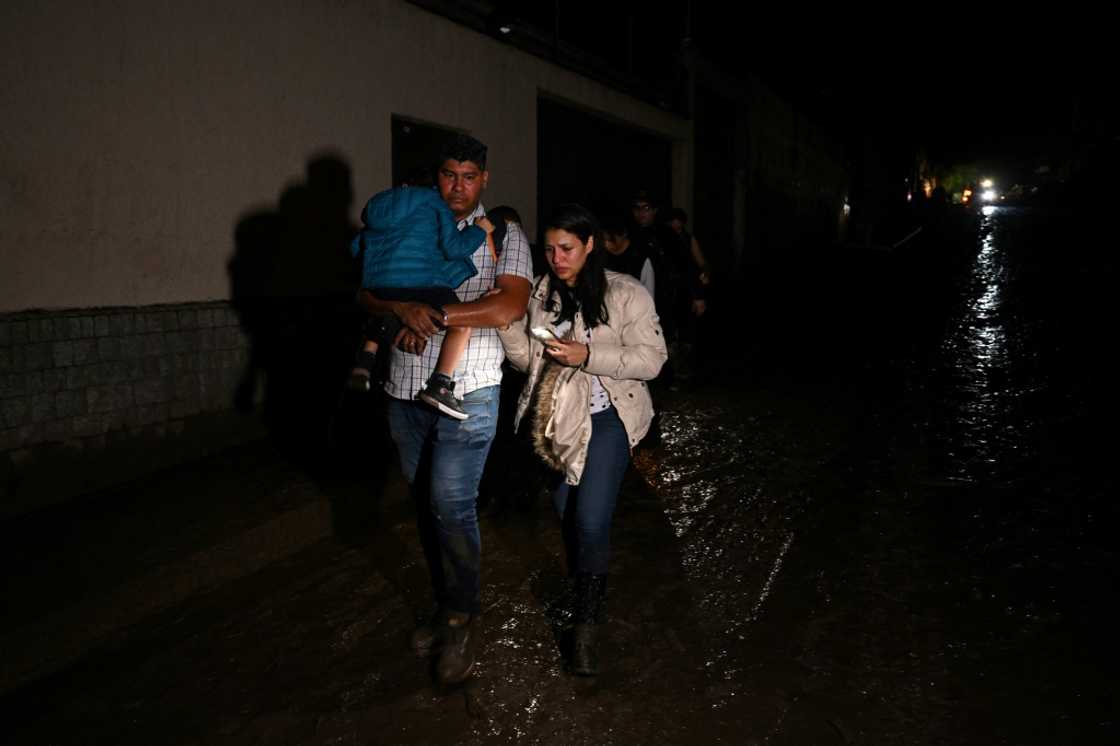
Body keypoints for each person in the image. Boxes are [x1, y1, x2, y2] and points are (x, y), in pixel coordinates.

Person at [357, 134, 533, 686]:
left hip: (471, 390)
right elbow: (365, 289)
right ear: (436, 179)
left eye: (468, 177)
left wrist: (431, 316)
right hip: (404, 391)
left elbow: (508, 303)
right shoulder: (411, 222)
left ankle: (460, 616)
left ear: (483, 180)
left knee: (451, 504)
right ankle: (444, 602)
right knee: (426, 507)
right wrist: (398, 308)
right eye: (448, 175)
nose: (458, 186)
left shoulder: (502, 232)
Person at [497, 203, 667, 675]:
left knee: (591, 521)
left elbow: (652, 360)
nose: (557, 258)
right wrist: (508, 324)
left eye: (567, 248)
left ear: (590, 245)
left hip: (609, 417)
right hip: (555, 420)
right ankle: (585, 583)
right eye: (549, 249)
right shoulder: (542, 292)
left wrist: (587, 354)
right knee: (569, 517)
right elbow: (525, 362)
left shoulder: (625, 292)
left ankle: (586, 630)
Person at [347, 177, 497, 419]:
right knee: (460, 322)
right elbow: (453, 248)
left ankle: (364, 363)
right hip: (420, 281)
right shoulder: (434, 201)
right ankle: (440, 383)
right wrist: (480, 230)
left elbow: (357, 247)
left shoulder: (378, 205)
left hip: (379, 284)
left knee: (384, 310)